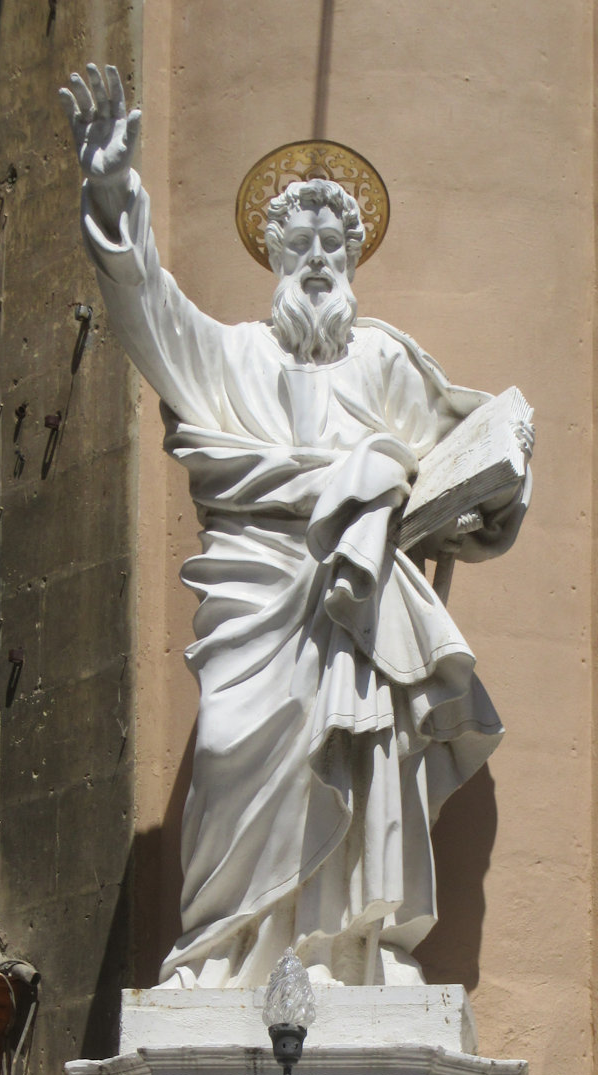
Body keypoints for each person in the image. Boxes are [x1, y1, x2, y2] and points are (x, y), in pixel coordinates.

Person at [60, 66, 534, 989]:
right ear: (273, 254)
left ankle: (348, 948)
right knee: (235, 744)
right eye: (300, 242)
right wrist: (115, 194)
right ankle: (227, 952)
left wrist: (494, 485)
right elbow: (148, 310)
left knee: (366, 754)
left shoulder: (388, 359)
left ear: (351, 260)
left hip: (357, 603)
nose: (318, 258)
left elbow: (463, 459)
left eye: (333, 244)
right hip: (256, 590)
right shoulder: (230, 354)